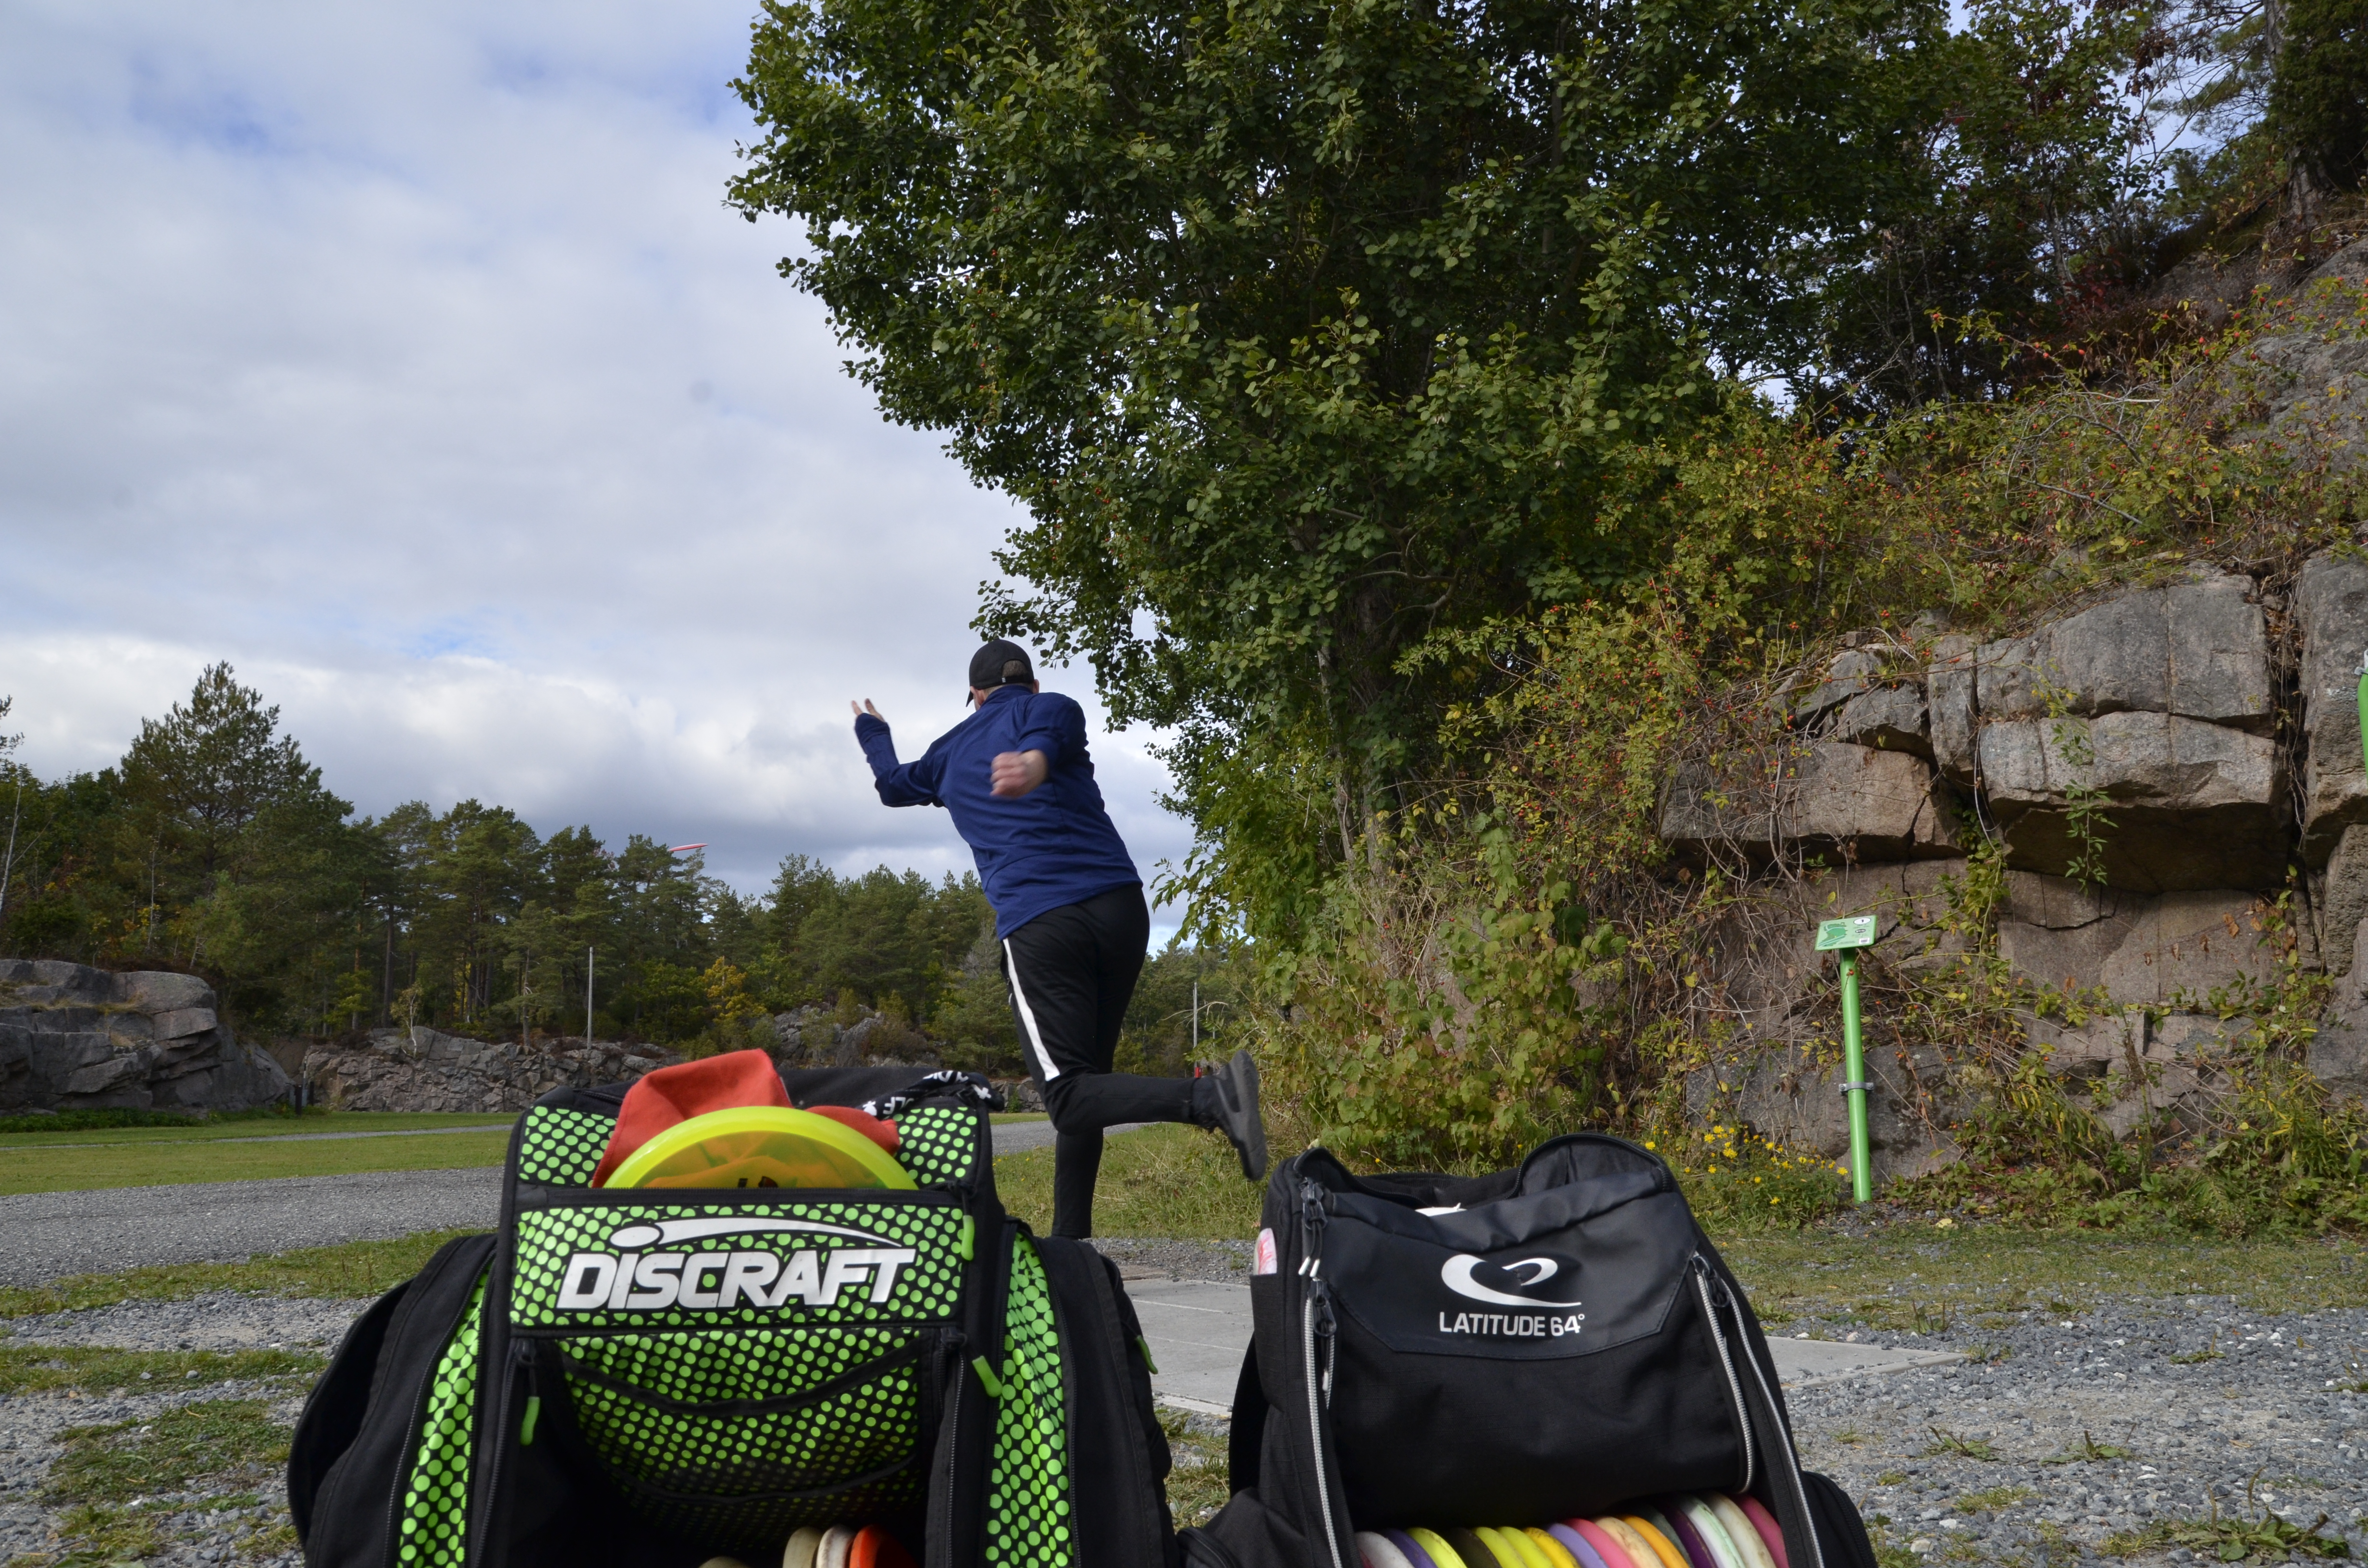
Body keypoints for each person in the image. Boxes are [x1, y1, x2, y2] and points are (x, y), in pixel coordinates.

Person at [851, 638, 1266, 1237]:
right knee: (1090, 1080)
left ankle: (1209, 1101)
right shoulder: (1051, 706)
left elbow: (892, 784)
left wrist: (872, 732)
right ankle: (1072, 1245)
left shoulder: (949, 751)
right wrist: (1038, 761)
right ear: (1032, 685)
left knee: (1068, 1096)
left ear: (974, 695)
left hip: (1043, 922)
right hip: (1120, 910)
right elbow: (1056, 727)